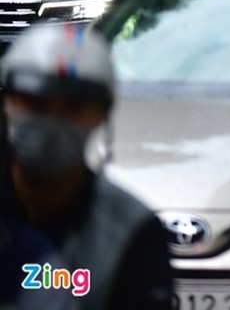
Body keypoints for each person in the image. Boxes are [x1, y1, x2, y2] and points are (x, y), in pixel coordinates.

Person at [0, 23, 173, 309]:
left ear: (103, 113)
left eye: (72, 108)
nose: (52, 124)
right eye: (36, 103)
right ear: (8, 102)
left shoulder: (131, 232)